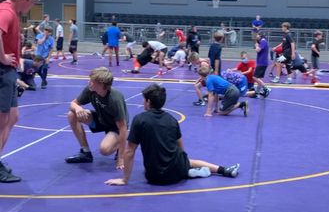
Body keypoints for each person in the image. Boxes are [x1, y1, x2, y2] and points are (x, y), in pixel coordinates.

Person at [105, 84, 240, 186]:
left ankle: (189, 172)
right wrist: (183, 164)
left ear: (148, 102)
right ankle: (222, 170)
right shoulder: (171, 119)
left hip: (155, 177)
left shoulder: (140, 119)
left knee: (173, 162)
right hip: (176, 172)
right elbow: (181, 149)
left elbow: (129, 151)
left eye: (144, 100)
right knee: (188, 160)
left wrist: (124, 179)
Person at [0, 0, 41, 183]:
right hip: (2, 70)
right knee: (2, 121)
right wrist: (3, 58)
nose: (32, 6)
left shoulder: (10, 12)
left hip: (8, 72)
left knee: (12, 116)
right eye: (32, 2)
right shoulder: (7, 12)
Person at [65, 67, 128, 168]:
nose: (89, 82)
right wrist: (77, 108)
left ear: (101, 84)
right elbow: (73, 104)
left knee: (104, 150)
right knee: (72, 114)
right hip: (101, 119)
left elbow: (123, 128)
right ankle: (86, 152)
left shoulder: (115, 98)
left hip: (115, 127)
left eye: (92, 81)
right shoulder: (90, 90)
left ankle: (119, 145)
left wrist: (121, 158)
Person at [253, 32, 271, 97]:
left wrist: (256, 45)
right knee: (259, 78)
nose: (256, 36)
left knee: (254, 77)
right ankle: (257, 93)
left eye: (257, 35)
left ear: (260, 36)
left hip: (262, 62)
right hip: (262, 62)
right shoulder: (262, 42)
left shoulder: (263, 41)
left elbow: (258, 50)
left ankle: (266, 88)